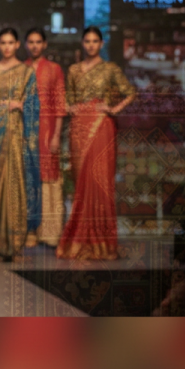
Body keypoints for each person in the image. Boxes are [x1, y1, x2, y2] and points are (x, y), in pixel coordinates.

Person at [57, 26, 135, 261]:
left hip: (101, 127)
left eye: (95, 41)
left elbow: (130, 93)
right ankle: (80, 238)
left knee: (100, 183)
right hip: (79, 128)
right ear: (82, 43)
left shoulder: (110, 69)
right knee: (81, 183)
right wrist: (71, 107)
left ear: (101, 44)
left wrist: (112, 109)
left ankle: (101, 242)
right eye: (87, 41)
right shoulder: (72, 70)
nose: (91, 45)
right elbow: (68, 99)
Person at [0, 28, 40, 260]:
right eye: (3, 42)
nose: (6, 47)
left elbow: (34, 105)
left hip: (15, 130)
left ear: (16, 45)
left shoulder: (26, 72)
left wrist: (21, 106)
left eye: (11, 42)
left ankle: (14, 243)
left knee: (14, 183)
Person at [25, 28, 67, 247]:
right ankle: (28, 233)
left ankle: (49, 233)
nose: (34, 46)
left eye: (38, 42)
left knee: (48, 177)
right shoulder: (20, 69)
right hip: (25, 131)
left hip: (48, 129)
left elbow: (60, 104)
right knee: (28, 178)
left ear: (45, 44)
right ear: (25, 44)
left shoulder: (54, 69)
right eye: (30, 42)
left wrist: (57, 135)